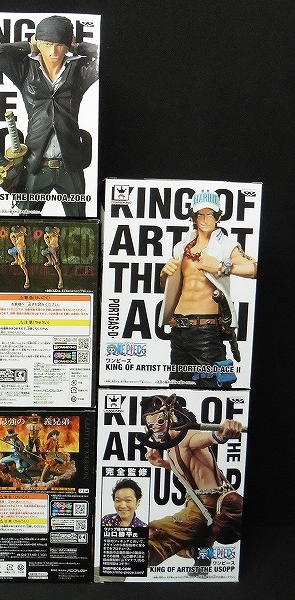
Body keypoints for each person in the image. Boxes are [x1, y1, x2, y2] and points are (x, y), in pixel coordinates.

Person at [0, 15, 99, 217]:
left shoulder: (78, 72)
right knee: (24, 224)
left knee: (79, 224)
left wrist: (77, 47)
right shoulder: (25, 71)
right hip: (36, 163)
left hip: (70, 164)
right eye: (47, 44)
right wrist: (29, 46)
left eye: (59, 45)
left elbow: (105, 57)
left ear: (67, 45)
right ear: (38, 43)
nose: (53, 51)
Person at [159, 190, 258, 387]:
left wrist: (222, 266)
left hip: (206, 330)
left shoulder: (227, 245)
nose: (204, 220)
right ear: (193, 217)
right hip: (178, 329)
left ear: (218, 216)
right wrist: (164, 275)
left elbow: (254, 269)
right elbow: (172, 287)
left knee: (213, 386)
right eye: (200, 214)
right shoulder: (182, 247)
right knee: (178, 388)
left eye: (210, 214)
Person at [142, 395, 243, 569]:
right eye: (150, 426)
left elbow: (208, 438)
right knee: (188, 543)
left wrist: (222, 433)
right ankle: (201, 553)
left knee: (156, 533)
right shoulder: (171, 447)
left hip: (207, 504)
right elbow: (188, 469)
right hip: (199, 504)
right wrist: (163, 464)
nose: (155, 429)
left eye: (159, 422)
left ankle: (136, 559)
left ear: (172, 419)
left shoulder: (187, 436)